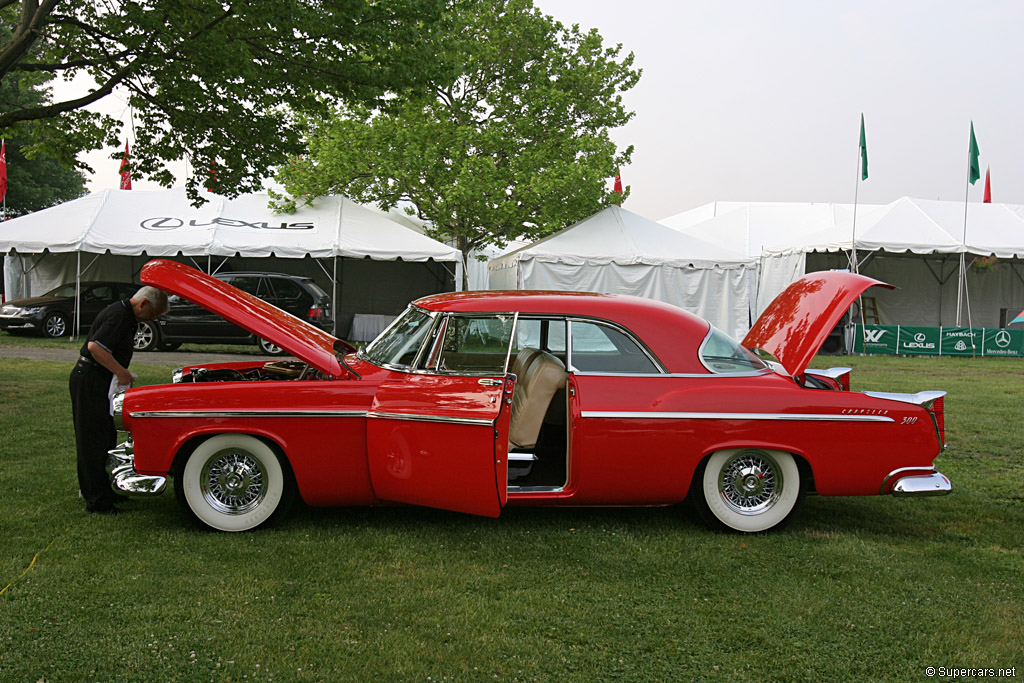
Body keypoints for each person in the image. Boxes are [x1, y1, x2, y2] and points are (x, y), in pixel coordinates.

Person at [69, 285, 169, 514]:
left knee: (106, 436)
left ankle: (105, 490)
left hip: (100, 379)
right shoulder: (119, 316)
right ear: (143, 304)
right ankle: (96, 499)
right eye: (152, 314)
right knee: (92, 440)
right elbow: (95, 347)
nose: (151, 320)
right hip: (90, 379)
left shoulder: (126, 315)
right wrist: (121, 372)